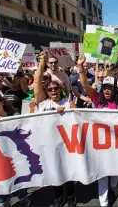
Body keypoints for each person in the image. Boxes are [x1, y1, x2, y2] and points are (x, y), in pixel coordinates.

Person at [77, 55, 118, 207]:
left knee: (117, 168)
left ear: (114, 90)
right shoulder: (97, 99)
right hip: (100, 143)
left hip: (117, 142)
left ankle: (114, 185)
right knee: (103, 172)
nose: (106, 90)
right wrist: (81, 68)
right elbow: (84, 85)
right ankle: (104, 201)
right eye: (104, 88)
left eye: (109, 88)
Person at [34, 51, 77, 207]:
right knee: (54, 171)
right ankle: (58, 197)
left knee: (68, 171)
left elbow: (79, 119)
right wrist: (41, 62)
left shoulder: (68, 103)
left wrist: (66, 113)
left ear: (60, 90)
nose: (53, 91)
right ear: (47, 91)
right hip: (49, 144)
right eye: (50, 89)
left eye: (56, 88)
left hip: (67, 144)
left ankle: (71, 196)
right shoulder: (43, 103)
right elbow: (37, 80)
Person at [0, 94, 31, 207]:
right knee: (1, 193)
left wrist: (4, 122)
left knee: (20, 186)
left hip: (17, 160)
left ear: (1, 102)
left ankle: (24, 200)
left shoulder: (16, 116)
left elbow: (25, 134)